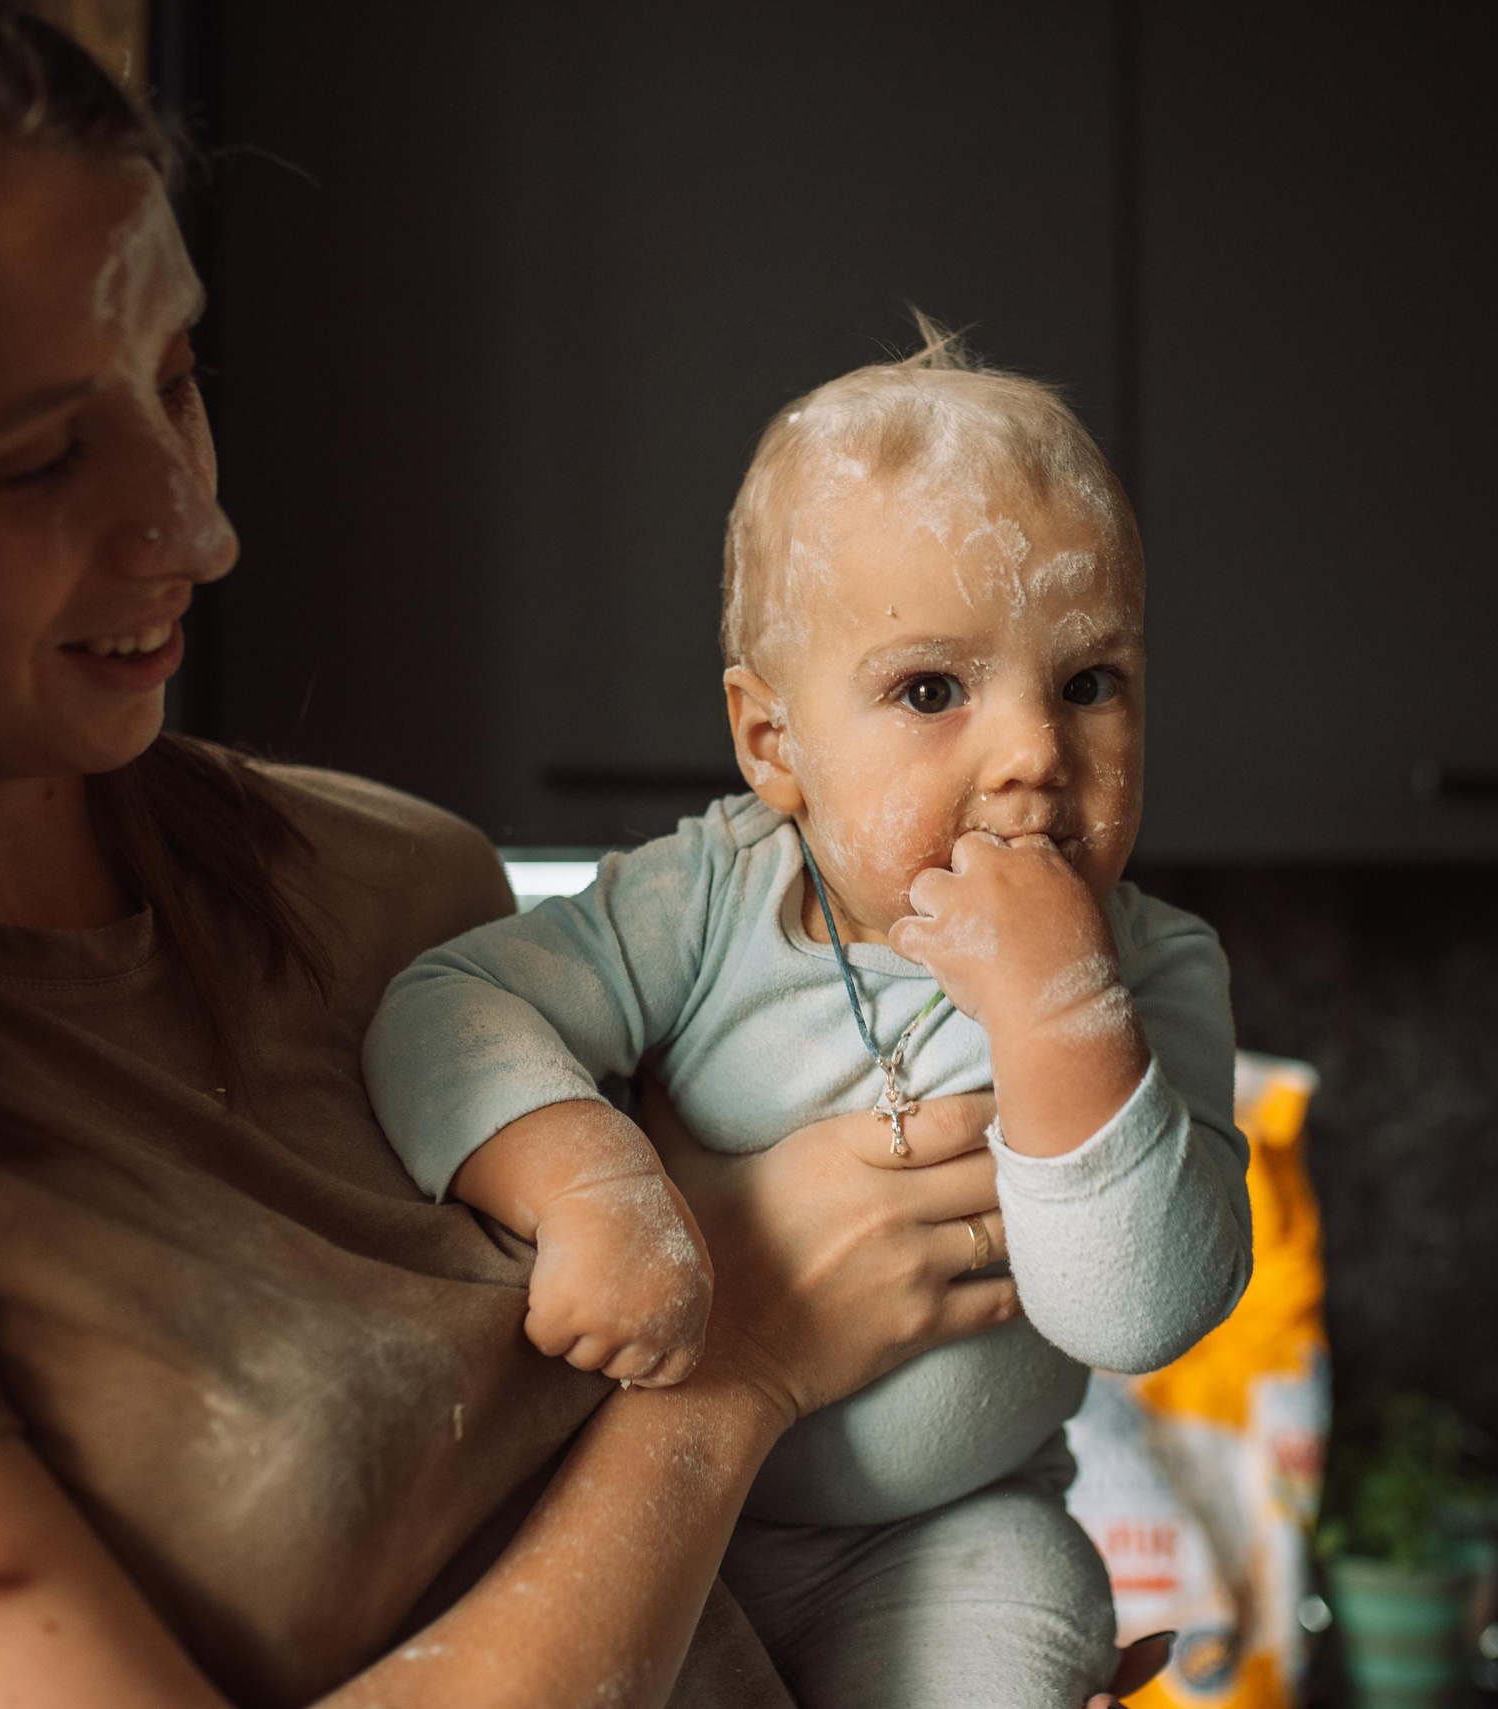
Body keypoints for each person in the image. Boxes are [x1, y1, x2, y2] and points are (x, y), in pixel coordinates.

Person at [0, 4, 1171, 1705]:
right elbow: (715, 1381)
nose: (201, 524)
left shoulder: (390, 897)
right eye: (44, 457)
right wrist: (743, 1364)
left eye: (181, 379)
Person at [361, 332, 1255, 1709]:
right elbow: (446, 1008)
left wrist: (1059, 1011)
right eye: (930, 690)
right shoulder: (707, 897)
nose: (1034, 752)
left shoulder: (1147, 969)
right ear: (773, 744)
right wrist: (591, 1184)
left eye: (1090, 681)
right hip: (649, 1525)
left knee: (1024, 1605)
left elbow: (1136, 1309)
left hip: (951, 1534)